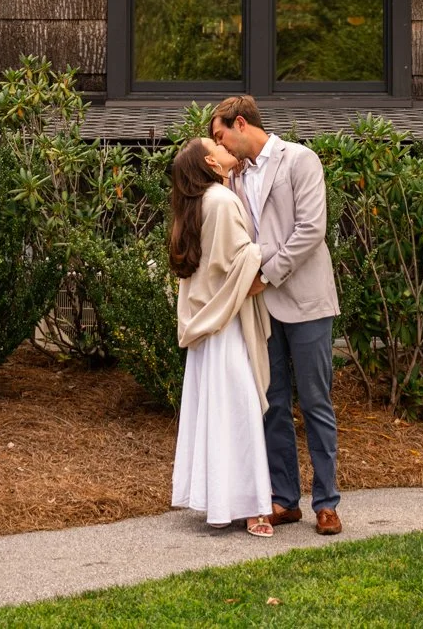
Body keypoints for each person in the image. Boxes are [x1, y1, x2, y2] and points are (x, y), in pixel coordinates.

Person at [210, 94, 342, 536]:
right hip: (262, 310)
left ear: (240, 123)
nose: (219, 144)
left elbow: (311, 230)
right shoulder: (237, 177)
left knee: (317, 402)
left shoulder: (300, 160)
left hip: (305, 301)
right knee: (273, 404)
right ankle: (285, 499)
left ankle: (326, 503)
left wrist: (265, 275)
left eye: (219, 135)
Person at [168, 135, 275, 536]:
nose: (222, 145)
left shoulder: (194, 206)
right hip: (226, 323)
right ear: (212, 165)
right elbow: (242, 259)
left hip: (205, 324)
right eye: (213, 146)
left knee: (213, 411)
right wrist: (267, 252)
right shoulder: (223, 202)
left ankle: (218, 499)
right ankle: (252, 507)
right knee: (240, 410)